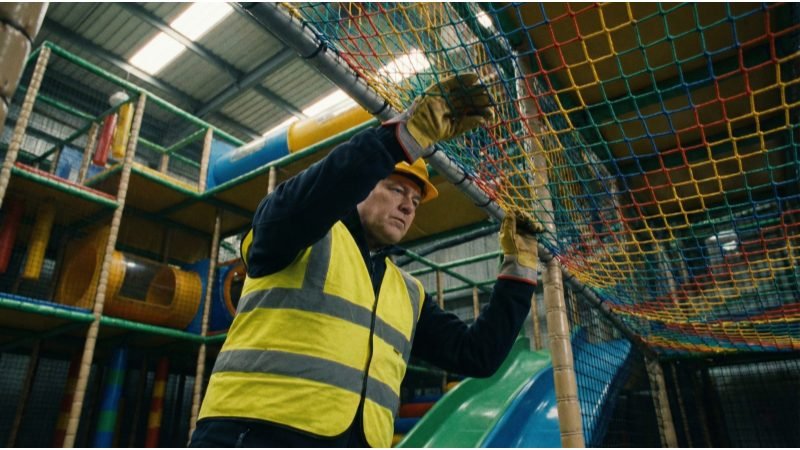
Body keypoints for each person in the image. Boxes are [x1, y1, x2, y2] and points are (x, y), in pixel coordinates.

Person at [190, 73, 541, 448]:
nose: (408, 205)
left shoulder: (407, 293)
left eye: (416, 200)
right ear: (361, 189)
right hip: (254, 433)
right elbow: (319, 193)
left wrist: (518, 270)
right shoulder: (301, 232)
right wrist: (400, 140)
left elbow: (478, 355)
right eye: (396, 189)